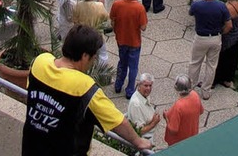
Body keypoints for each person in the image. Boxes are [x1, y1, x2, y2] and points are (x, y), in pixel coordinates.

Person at [22, 24, 150, 156]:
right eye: (94, 57)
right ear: (84, 56)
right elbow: (118, 121)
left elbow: (31, 94)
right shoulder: (84, 88)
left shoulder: (39, 62)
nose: (94, 61)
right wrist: (138, 141)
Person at [188, 0, 232, 100]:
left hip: (200, 38)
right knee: (211, 65)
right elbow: (229, 25)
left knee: (195, 62)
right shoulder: (221, 6)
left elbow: (190, 13)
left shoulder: (197, 5)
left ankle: (190, 88)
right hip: (215, 37)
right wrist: (220, 33)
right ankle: (206, 91)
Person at [109, 0, 148, 100]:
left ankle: (118, 85)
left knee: (122, 62)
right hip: (134, 41)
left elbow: (112, 20)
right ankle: (130, 90)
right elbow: (143, 27)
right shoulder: (139, 8)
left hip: (121, 39)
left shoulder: (116, 4)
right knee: (133, 67)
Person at [213, 0, 238, 89]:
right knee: (233, 56)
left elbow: (228, 25)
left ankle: (219, 77)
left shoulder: (226, 7)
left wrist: (222, 32)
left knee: (223, 57)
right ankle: (229, 78)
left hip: (229, 35)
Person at [163, 75, 204, 146]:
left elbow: (173, 130)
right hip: (192, 136)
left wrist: (166, 117)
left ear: (176, 88)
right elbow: (201, 111)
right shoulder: (195, 95)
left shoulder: (178, 106)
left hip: (178, 142)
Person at [126, 74, 160, 142]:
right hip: (143, 140)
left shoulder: (143, 94)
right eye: (145, 85)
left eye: (150, 85)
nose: (148, 88)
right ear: (139, 85)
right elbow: (139, 131)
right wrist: (154, 123)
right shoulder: (136, 105)